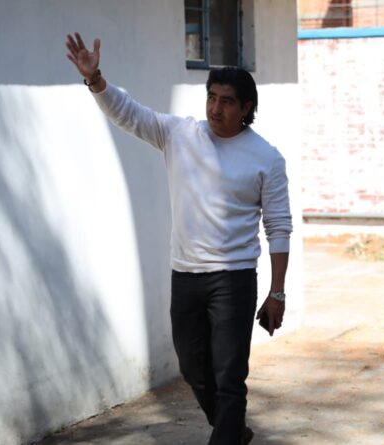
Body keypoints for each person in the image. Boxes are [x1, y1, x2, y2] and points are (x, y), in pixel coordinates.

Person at [65, 33, 292, 445]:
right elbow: (128, 114)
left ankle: (226, 434)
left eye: (227, 101)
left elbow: (278, 227)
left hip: (234, 278)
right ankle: (233, 430)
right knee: (192, 368)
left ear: (246, 107)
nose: (215, 108)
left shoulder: (266, 158)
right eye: (211, 97)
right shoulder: (179, 135)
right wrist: (95, 78)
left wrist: (277, 292)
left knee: (229, 374)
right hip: (185, 275)